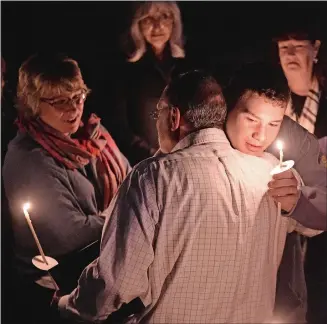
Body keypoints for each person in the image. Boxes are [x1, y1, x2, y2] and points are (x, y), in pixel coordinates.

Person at [57, 70, 320, 323]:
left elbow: (115, 284)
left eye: (156, 112)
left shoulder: (153, 177)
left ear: (173, 116)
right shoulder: (273, 172)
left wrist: (68, 306)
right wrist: (298, 201)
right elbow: (312, 224)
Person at [2, 53, 131, 323]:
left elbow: (131, 179)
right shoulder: (29, 158)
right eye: (60, 101)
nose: (73, 109)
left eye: (78, 97)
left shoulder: (91, 135)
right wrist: (127, 216)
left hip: (101, 271)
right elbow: (69, 235)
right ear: (34, 103)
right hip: (56, 291)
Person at [107, 1, 207, 166]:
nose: (158, 25)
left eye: (164, 17)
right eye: (148, 19)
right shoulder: (124, 71)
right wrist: (154, 156)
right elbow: (120, 127)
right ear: (137, 25)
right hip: (144, 163)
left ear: (174, 22)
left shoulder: (189, 65)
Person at [273, 23, 327, 324]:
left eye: (298, 46)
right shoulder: (273, 105)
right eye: (284, 48)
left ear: (315, 49)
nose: (290, 53)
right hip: (284, 222)